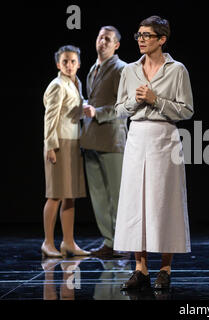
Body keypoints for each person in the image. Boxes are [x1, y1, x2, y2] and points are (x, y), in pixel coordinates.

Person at [113, 15, 193, 290]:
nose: (141, 40)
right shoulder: (130, 70)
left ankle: (165, 269)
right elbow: (119, 108)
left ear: (162, 39)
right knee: (137, 203)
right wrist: (136, 103)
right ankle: (140, 268)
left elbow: (186, 110)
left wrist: (155, 100)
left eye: (147, 35)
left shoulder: (177, 69)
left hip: (164, 136)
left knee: (163, 202)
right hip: (137, 137)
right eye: (139, 35)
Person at [80, 26, 128, 259]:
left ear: (116, 45)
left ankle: (123, 242)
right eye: (100, 37)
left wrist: (97, 112)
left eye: (108, 39)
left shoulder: (122, 69)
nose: (102, 42)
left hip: (112, 140)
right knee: (98, 195)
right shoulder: (93, 69)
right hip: (91, 139)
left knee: (117, 195)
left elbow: (125, 106)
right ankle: (109, 241)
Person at [42, 45, 91, 258]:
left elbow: (70, 112)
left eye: (72, 61)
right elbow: (50, 117)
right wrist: (50, 146)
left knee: (70, 196)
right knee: (56, 195)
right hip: (59, 143)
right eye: (65, 62)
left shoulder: (75, 83)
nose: (69, 65)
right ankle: (48, 243)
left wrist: (84, 109)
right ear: (58, 65)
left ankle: (68, 242)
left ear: (78, 63)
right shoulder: (57, 85)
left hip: (73, 142)